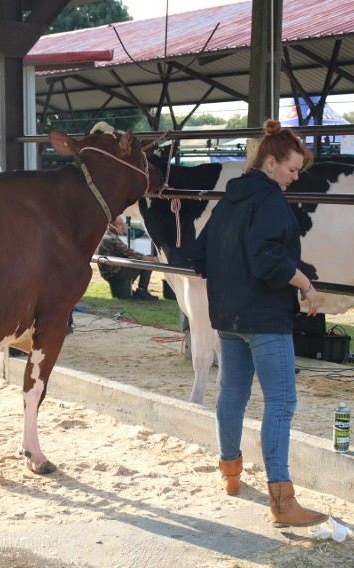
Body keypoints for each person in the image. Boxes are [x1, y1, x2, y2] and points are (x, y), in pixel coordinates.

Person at [191, 119, 328, 528]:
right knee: (281, 403)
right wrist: (305, 284)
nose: (295, 176)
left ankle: (230, 474)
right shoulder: (269, 199)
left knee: (232, 394)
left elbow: (200, 254)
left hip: (228, 315)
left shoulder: (230, 198)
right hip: (265, 317)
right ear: (270, 163)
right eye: (291, 169)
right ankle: (283, 503)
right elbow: (268, 257)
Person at [96, 216, 159, 301]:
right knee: (147, 263)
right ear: (111, 226)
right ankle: (142, 290)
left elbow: (127, 254)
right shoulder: (111, 239)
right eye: (120, 224)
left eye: (123, 224)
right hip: (114, 272)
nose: (123, 227)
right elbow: (130, 253)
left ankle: (137, 289)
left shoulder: (107, 235)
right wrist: (152, 259)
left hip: (110, 271)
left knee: (144, 259)